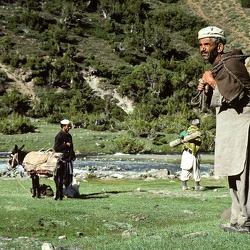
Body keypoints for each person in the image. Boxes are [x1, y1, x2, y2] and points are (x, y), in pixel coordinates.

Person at [197, 26, 250, 233]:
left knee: (243, 172)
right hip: (230, 126)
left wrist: (212, 82)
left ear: (219, 46)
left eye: (206, 44)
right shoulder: (219, 66)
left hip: (242, 124)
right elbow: (221, 97)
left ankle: (246, 220)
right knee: (233, 171)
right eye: (200, 45)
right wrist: (208, 88)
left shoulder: (231, 64)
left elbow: (236, 96)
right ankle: (237, 219)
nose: (202, 49)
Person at [54, 119, 76, 200]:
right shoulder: (59, 136)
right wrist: (65, 145)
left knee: (69, 176)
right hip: (62, 160)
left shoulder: (69, 136)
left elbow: (71, 147)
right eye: (68, 126)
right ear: (63, 126)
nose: (69, 127)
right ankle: (59, 194)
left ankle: (67, 192)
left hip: (69, 159)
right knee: (61, 177)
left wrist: (73, 155)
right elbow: (56, 148)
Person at [180, 119, 204, 191]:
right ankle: (197, 185)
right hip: (193, 153)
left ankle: (184, 186)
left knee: (185, 168)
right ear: (198, 125)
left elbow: (181, 137)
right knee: (196, 169)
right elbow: (199, 142)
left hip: (185, 151)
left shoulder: (185, 131)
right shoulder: (197, 132)